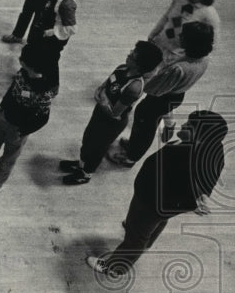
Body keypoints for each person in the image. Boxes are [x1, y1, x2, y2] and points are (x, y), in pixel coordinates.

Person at [87, 111, 227, 276]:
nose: (183, 125)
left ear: (200, 138)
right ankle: (146, 239)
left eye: (189, 126)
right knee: (156, 222)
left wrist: (194, 200)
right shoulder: (214, 150)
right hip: (164, 205)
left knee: (136, 237)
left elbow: (191, 189)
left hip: (151, 202)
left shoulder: (189, 159)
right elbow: (203, 186)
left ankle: (115, 267)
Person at [110, 22, 214, 167]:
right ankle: (134, 145)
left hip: (161, 98)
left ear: (191, 42)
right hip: (177, 94)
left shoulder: (179, 68)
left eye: (183, 35)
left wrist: (141, 80)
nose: (180, 36)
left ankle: (131, 157)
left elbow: (154, 89)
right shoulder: (203, 59)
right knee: (147, 124)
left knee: (145, 127)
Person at [0, 41, 60, 201]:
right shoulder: (22, 73)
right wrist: (1, 107)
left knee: (8, 159)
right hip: (3, 118)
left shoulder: (43, 91)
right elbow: (12, 90)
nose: (19, 59)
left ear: (32, 65)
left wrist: (22, 131)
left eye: (22, 58)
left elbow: (43, 118)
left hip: (17, 129)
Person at [60, 41, 164, 185]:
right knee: (88, 139)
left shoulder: (134, 86)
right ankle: (81, 164)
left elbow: (114, 112)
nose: (129, 54)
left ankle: (86, 173)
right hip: (99, 113)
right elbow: (105, 84)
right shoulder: (122, 68)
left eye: (133, 55)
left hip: (110, 123)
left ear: (140, 64)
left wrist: (102, 99)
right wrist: (100, 90)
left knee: (97, 148)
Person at [147, 0, 220, 66]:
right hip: (161, 43)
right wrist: (153, 34)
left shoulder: (210, 14)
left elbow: (213, 42)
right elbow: (166, 18)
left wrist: (188, 58)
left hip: (177, 56)